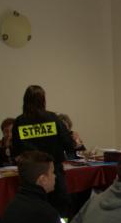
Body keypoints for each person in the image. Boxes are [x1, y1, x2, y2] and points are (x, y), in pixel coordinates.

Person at [11, 85, 77, 215]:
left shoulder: (20, 122)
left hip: (30, 175)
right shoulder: (53, 118)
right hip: (53, 171)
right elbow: (68, 144)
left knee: (33, 211)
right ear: (43, 100)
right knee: (59, 207)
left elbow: (16, 151)